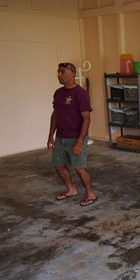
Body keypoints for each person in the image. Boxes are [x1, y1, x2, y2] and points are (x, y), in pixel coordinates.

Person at [47, 62, 97, 206]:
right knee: (58, 164)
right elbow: (55, 114)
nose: (59, 74)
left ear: (73, 74)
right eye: (58, 72)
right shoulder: (58, 93)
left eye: (62, 72)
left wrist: (80, 141)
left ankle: (90, 194)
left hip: (76, 138)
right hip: (61, 137)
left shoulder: (80, 94)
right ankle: (71, 189)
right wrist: (51, 135)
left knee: (79, 167)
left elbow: (86, 118)